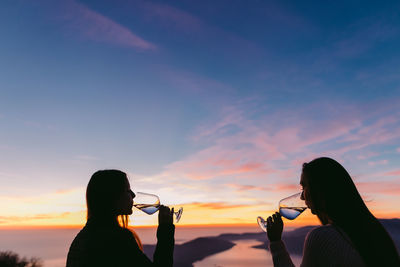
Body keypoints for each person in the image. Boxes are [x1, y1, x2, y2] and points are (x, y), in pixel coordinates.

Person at [266, 157, 400, 267]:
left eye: (304, 186)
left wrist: (275, 242)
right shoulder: (376, 232)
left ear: (319, 189)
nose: (301, 196)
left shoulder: (322, 237)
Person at [66, 169, 175, 267]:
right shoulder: (117, 239)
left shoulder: (82, 239)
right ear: (113, 196)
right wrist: (166, 229)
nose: (133, 195)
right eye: (127, 190)